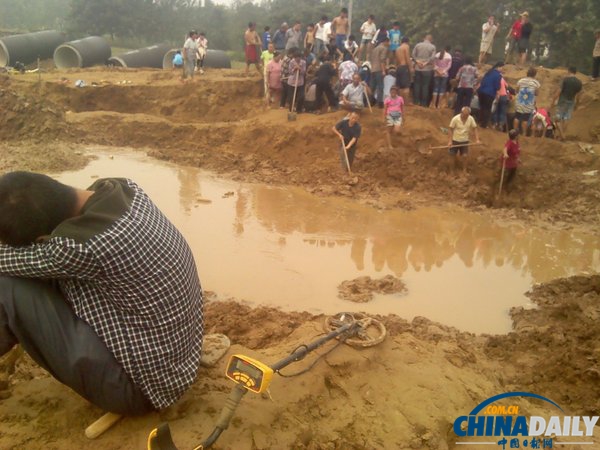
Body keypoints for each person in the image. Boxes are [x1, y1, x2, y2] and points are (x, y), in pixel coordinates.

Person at [0, 172, 203, 415]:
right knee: (34, 273)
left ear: (43, 238)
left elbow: (5, 261)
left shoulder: (81, 247)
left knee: (7, 286)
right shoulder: (125, 189)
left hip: (142, 390)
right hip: (179, 364)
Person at [553, 66, 583, 139]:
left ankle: (562, 135)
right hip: (571, 102)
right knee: (566, 118)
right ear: (575, 72)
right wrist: (577, 104)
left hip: (562, 101)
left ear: (569, 71)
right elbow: (579, 95)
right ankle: (562, 135)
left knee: (557, 119)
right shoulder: (579, 82)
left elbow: (559, 91)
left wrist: (553, 100)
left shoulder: (565, 80)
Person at [448, 106, 481, 171]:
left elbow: (475, 128)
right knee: (452, 155)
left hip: (464, 141)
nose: (466, 116)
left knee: (465, 156)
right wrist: (450, 141)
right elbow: (450, 129)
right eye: (464, 115)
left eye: (467, 115)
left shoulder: (470, 118)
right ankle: (451, 171)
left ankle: (464, 170)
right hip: (455, 140)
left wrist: (477, 139)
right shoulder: (455, 119)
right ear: (461, 112)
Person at [514, 67, 540, 133]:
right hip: (529, 103)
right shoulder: (536, 83)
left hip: (520, 101)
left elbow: (516, 91)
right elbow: (537, 93)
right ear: (534, 74)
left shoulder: (521, 80)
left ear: (527, 73)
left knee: (517, 117)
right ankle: (524, 134)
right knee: (525, 119)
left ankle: (514, 132)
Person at [412, 34, 436, 107]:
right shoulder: (432, 47)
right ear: (431, 39)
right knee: (425, 86)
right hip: (427, 69)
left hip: (418, 68)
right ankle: (424, 104)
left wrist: (418, 62)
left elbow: (413, 55)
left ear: (424, 38)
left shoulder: (418, 45)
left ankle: (416, 102)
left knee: (417, 85)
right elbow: (432, 58)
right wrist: (425, 63)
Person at [477, 62, 504, 128]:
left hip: (481, 91)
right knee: (487, 108)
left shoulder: (488, 72)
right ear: (498, 67)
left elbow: (482, 81)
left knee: (482, 107)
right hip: (489, 93)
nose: (502, 69)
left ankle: (479, 121)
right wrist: (498, 94)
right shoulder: (498, 75)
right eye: (502, 67)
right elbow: (497, 86)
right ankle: (484, 125)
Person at [369, 36, 389, 107]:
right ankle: (380, 103)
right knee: (380, 87)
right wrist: (383, 70)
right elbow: (382, 60)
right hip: (379, 70)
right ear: (385, 41)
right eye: (388, 42)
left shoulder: (375, 49)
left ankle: (370, 102)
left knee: (372, 87)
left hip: (373, 70)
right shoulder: (384, 48)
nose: (388, 44)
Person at [395, 37, 412, 102]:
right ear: (407, 42)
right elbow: (407, 57)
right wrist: (410, 67)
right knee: (406, 86)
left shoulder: (398, 48)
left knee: (400, 86)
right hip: (404, 67)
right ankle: (406, 102)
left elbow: (396, 60)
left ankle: (400, 101)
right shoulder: (406, 47)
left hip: (399, 67)